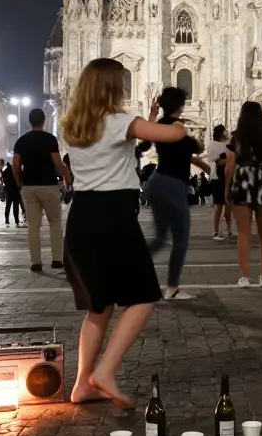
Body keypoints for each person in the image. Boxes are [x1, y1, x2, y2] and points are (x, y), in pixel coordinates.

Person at [61, 57, 188, 408]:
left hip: (83, 217)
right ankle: (105, 371)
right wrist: (170, 119)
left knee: (99, 307)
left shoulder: (73, 125)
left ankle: (82, 385)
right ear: (111, 87)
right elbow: (173, 134)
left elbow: (123, 148)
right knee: (144, 294)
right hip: (113, 218)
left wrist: (143, 122)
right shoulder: (119, 121)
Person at [141, 87, 208, 300]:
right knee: (180, 239)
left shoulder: (159, 126)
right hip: (173, 185)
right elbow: (197, 146)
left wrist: (152, 118)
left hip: (155, 182)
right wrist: (186, 132)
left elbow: (144, 144)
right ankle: (172, 289)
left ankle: (129, 266)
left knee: (161, 237)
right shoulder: (177, 129)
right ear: (181, 105)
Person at [226, 101, 262, 287]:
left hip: (243, 179)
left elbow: (230, 166)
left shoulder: (236, 137)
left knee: (243, 233)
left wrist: (227, 189)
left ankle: (245, 277)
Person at [13, 107, 72, 272]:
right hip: (48, 185)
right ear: (44, 120)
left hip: (29, 186)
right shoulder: (50, 139)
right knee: (54, 222)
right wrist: (67, 178)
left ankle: (36, 262)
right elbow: (58, 163)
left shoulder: (21, 141)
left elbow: (16, 164)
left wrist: (19, 181)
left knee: (33, 224)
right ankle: (57, 260)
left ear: (29, 121)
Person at [206, 126, 234, 239]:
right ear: (221, 133)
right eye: (225, 131)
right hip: (218, 177)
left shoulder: (219, 145)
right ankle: (218, 231)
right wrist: (232, 159)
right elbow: (218, 162)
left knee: (226, 205)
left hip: (223, 177)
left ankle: (228, 230)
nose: (227, 133)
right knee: (220, 205)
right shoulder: (216, 146)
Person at [0, 158, 24, 229]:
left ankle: (7, 221)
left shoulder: (4, 170)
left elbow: (3, 180)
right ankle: (17, 221)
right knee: (15, 206)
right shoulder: (16, 170)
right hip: (15, 189)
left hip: (8, 189)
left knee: (8, 205)